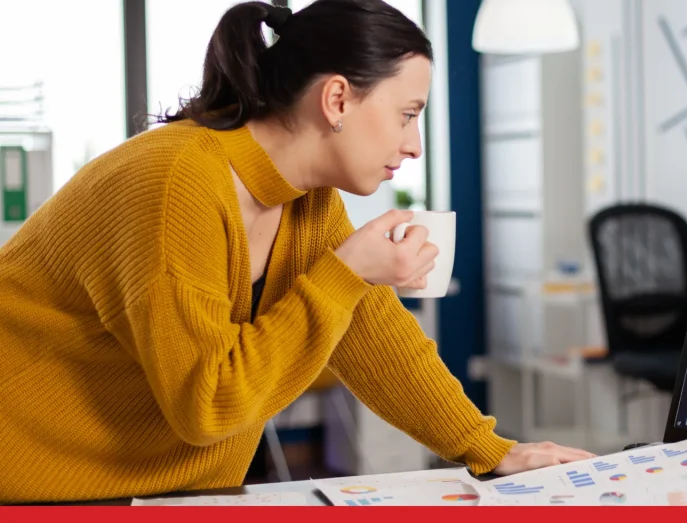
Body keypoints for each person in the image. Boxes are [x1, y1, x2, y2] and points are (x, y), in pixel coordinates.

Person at [0, 0, 594, 504]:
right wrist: (344, 275)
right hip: (36, 487)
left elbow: (380, 342)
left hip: (158, 495)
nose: (414, 145)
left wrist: (492, 451)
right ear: (337, 99)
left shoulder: (307, 203)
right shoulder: (176, 182)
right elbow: (207, 407)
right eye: (408, 115)